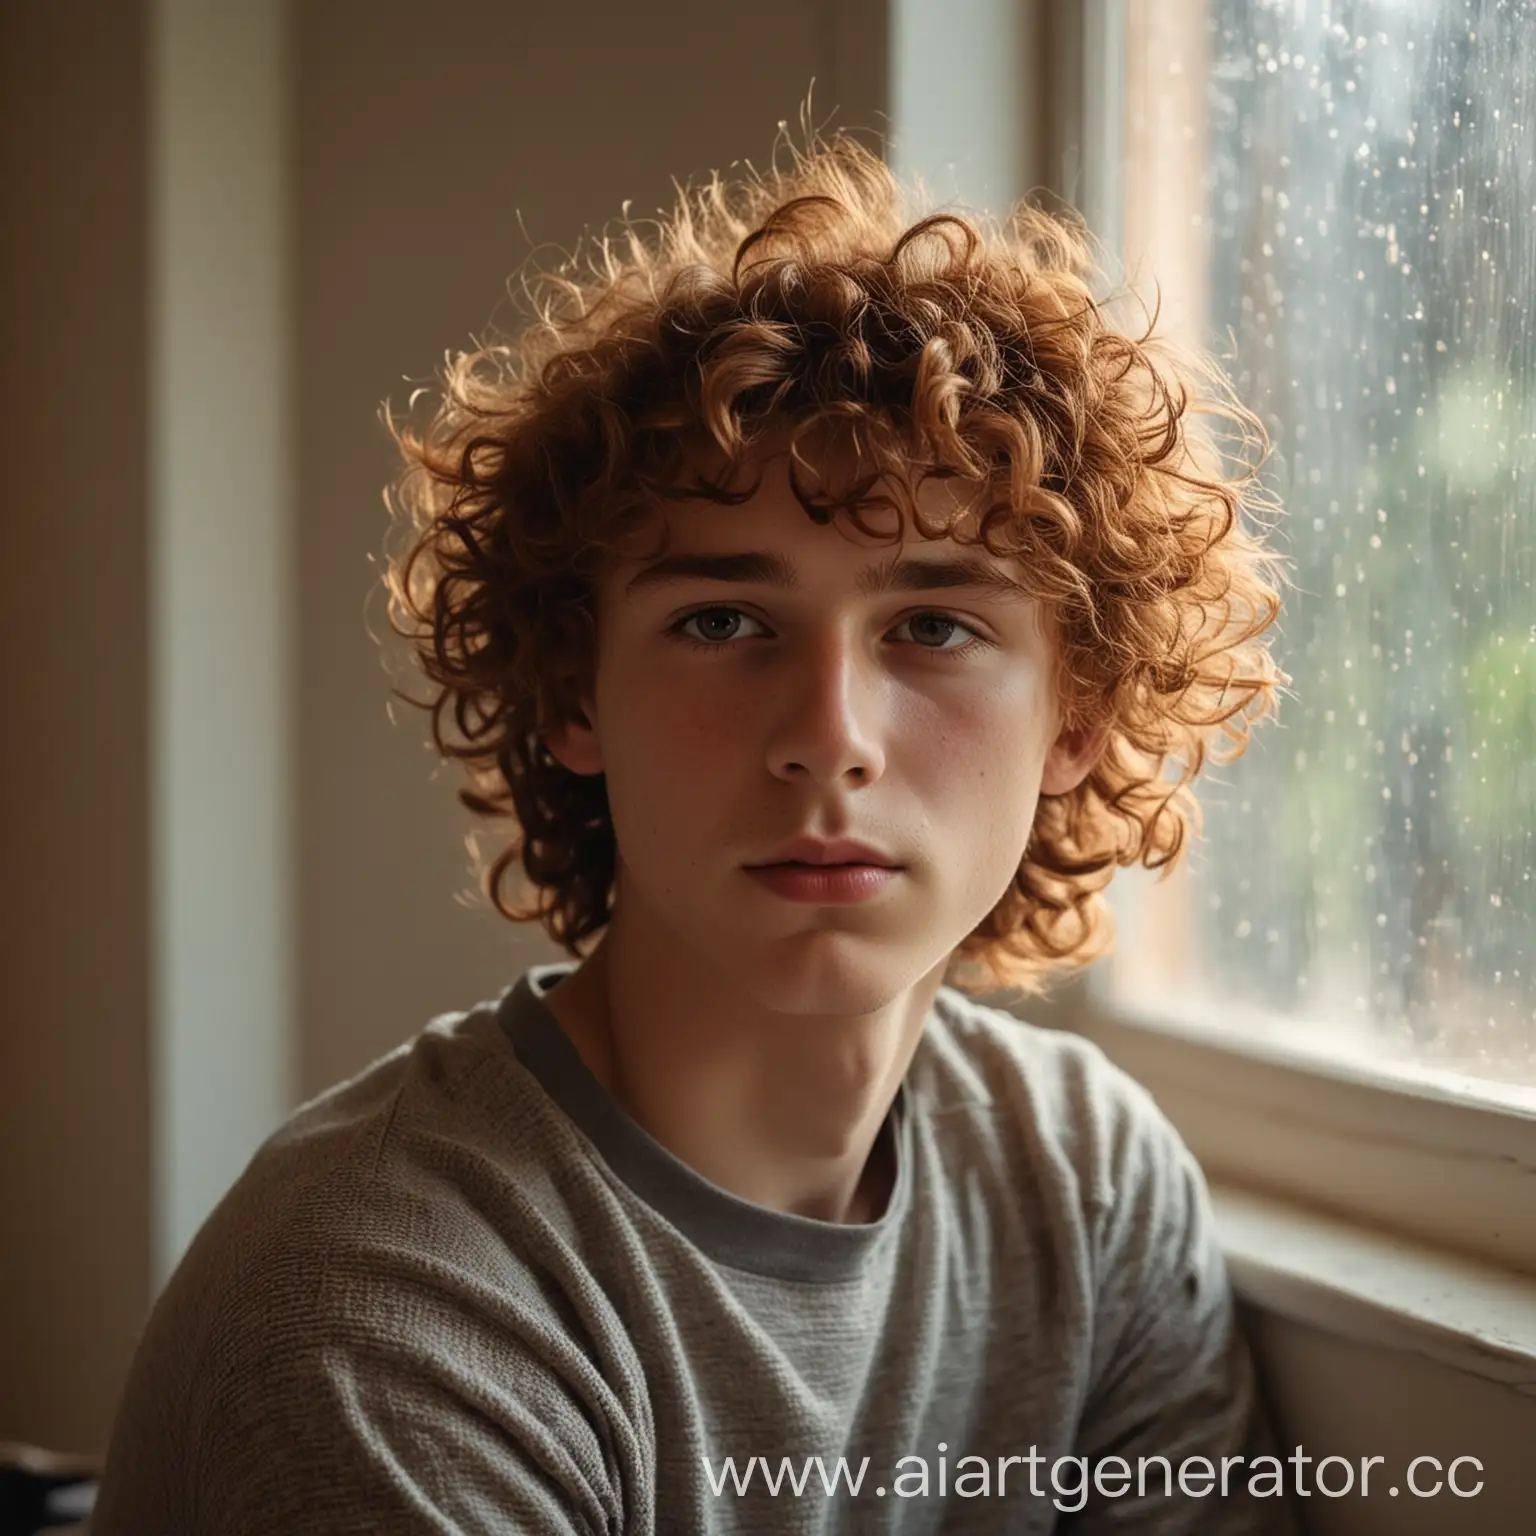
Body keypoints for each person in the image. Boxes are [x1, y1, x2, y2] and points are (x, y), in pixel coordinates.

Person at [91, 129, 1300, 1533]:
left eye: (933, 626)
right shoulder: (386, 1310)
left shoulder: (1083, 1184)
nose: (830, 732)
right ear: (569, 694)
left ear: (1076, 719)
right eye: (724, 622)